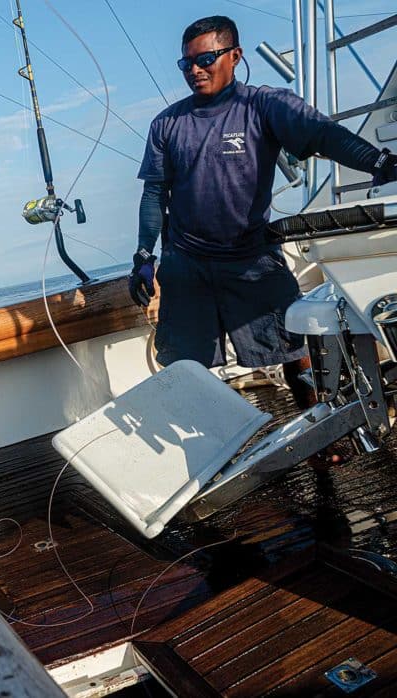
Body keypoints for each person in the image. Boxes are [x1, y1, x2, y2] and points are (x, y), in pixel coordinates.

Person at [128, 15, 397, 415]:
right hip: (187, 264)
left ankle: (321, 433)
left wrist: (379, 162)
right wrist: (144, 256)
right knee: (186, 367)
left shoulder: (264, 104)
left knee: (296, 347)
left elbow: (323, 134)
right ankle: (209, 455)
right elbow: (154, 193)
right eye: (187, 64)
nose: (195, 70)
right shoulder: (167, 123)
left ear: (234, 56)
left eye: (206, 59)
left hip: (251, 256)